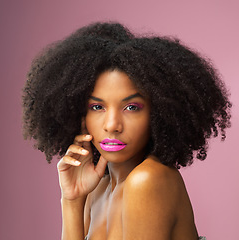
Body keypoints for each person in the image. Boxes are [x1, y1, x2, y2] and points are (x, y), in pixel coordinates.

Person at [22, 22, 231, 240]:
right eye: (97, 107)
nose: (112, 124)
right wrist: (72, 200)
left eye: (131, 107)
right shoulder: (97, 189)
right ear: (79, 114)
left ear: (159, 112)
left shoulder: (147, 181)